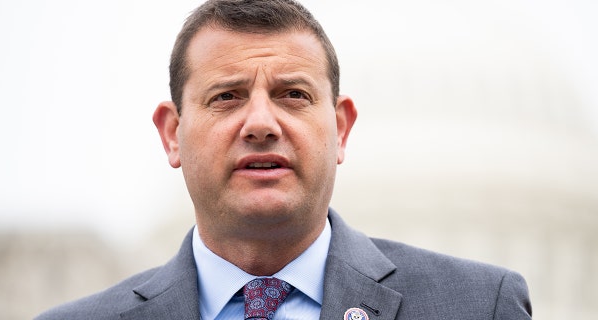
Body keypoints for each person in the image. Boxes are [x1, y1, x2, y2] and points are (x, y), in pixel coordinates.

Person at [36, 0, 532, 319]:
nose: (261, 124)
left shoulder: (478, 306)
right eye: (227, 96)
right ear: (172, 134)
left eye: (292, 94)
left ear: (340, 129)